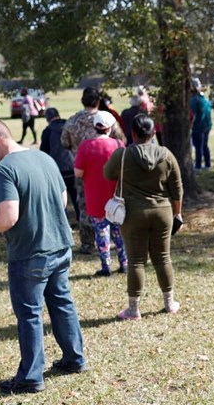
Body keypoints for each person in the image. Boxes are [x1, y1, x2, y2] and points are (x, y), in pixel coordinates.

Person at [0, 118, 87, 393]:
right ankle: (74, 358)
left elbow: (8, 216)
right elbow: (62, 200)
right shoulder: (44, 157)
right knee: (62, 303)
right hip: (59, 245)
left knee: (30, 314)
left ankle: (30, 377)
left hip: (29, 253)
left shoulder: (3, 169)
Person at [103, 114, 183, 320]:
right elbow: (177, 189)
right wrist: (178, 213)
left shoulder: (122, 155)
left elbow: (107, 174)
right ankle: (169, 303)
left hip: (133, 213)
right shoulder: (166, 155)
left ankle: (133, 309)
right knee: (163, 257)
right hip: (163, 212)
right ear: (153, 133)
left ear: (133, 134)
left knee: (137, 261)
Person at [74, 110, 127, 277]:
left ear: (95, 127)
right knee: (119, 231)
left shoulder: (85, 146)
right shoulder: (118, 145)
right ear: (110, 127)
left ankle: (106, 267)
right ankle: (124, 263)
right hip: (116, 196)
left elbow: (78, 172)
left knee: (101, 233)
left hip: (95, 196)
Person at [62, 86, 102, 255]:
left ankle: (87, 243)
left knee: (84, 205)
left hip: (82, 169)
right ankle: (111, 240)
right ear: (98, 101)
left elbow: (64, 142)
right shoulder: (106, 119)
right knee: (109, 203)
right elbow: (120, 139)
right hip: (106, 168)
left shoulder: (72, 121)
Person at [39, 107, 79, 224]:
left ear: (47, 118)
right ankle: (80, 219)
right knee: (76, 197)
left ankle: (65, 223)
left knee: (61, 199)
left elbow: (44, 152)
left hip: (57, 170)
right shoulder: (70, 127)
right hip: (73, 167)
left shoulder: (47, 131)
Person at [190, 82, 212, 171]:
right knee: (204, 145)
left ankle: (198, 166)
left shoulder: (194, 100)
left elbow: (192, 115)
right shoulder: (204, 99)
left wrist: (190, 126)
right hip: (207, 125)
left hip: (198, 126)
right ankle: (207, 164)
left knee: (198, 146)